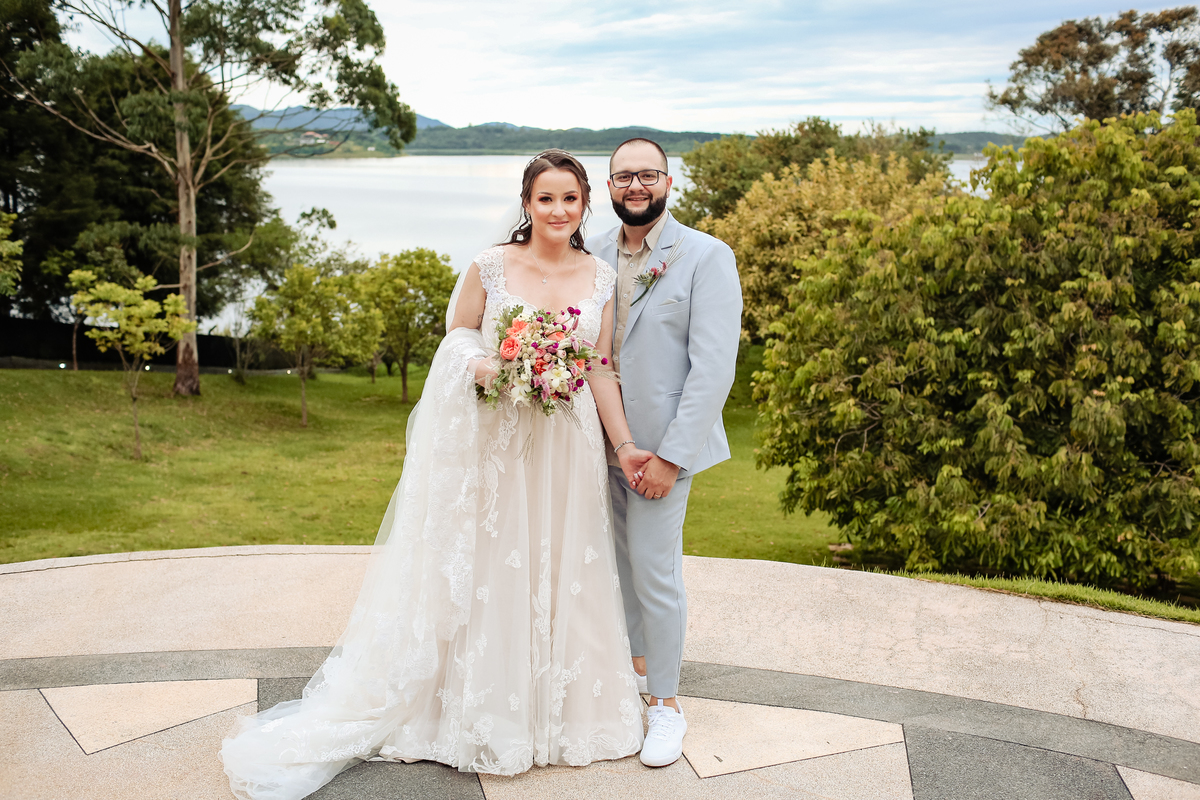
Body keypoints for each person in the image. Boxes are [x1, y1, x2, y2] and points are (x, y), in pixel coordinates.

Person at [220, 150, 653, 800]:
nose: (558, 210)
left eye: (570, 198)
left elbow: (596, 364)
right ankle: (483, 713)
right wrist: (483, 366)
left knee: (565, 566)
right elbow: (458, 336)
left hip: (568, 443)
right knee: (494, 565)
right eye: (546, 198)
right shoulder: (490, 265)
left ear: (585, 204)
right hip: (500, 442)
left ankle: (566, 717)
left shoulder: (600, 278)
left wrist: (624, 446)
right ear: (527, 203)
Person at [585, 138, 742, 768]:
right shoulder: (591, 251)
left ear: (668, 182)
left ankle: (668, 706)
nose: (636, 186)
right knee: (614, 568)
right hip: (594, 439)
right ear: (609, 186)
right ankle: (633, 676)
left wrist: (672, 457)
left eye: (648, 174)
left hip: (660, 451)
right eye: (624, 176)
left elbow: (713, 368)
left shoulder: (706, 255)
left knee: (654, 571)